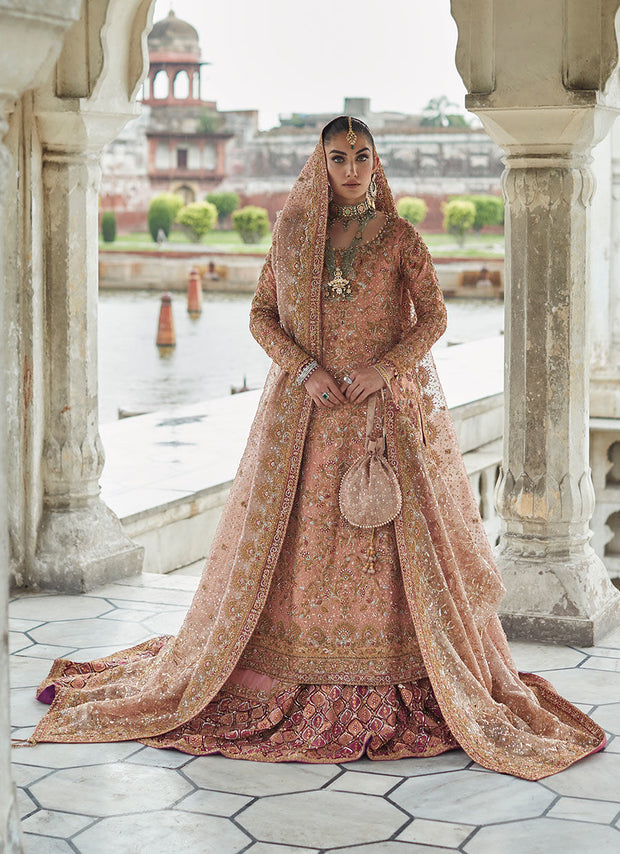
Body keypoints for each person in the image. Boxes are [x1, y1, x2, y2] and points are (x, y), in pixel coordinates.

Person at [30, 117, 604, 780]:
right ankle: (285, 668)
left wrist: (388, 368)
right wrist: (303, 368)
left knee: (384, 544)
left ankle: (397, 674)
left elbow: (436, 316)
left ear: (375, 163)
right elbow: (259, 315)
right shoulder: (292, 236)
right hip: (304, 418)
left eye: (362, 157)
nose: (351, 169)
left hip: (379, 420)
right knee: (297, 545)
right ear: (321, 162)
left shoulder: (398, 238)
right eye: (339, 157)